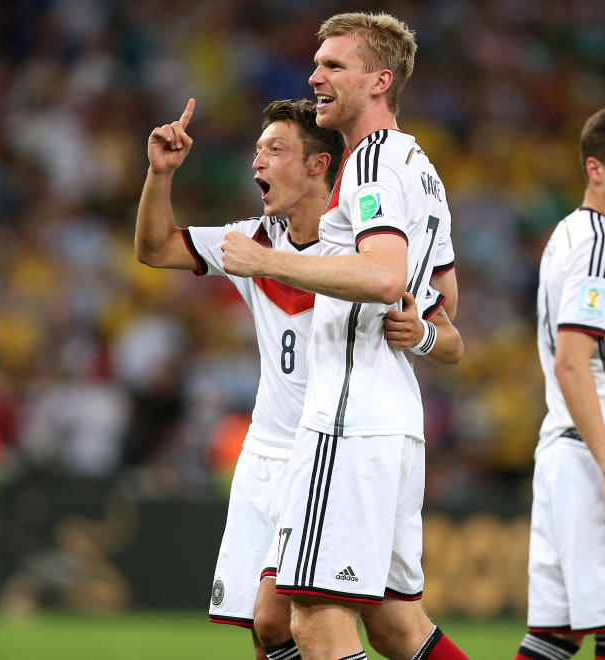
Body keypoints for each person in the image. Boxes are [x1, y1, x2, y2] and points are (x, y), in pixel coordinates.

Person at [135, 97, 462, 660]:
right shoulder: (256, 240)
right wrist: (159, 175)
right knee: (295, 631)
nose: (257, 162)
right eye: (257, 150)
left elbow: (446, 331)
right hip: (269, 449)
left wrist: (423, 335)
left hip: (337, 447)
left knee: (283, 616)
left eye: (275, 149)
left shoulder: (363, 251)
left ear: (318, 166)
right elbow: (156, 248)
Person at [221, 12, 468, 660]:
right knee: (396, 628)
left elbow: (385, 278)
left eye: (334, 65)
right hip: (393, 418)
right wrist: (418, 335)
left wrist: (265, 260)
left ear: (379, 80)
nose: (314, 76)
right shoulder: (422, 170)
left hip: (348, 416)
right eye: (316, 63)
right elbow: (448, 328)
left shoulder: (372, 164)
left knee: (312, 621)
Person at [515, 107, 605, 660]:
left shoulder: (567, 235)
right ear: (595, 169)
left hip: (562, 451)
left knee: (553, 638)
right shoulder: (602, 244)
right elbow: (572, 363)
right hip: (602, 452)